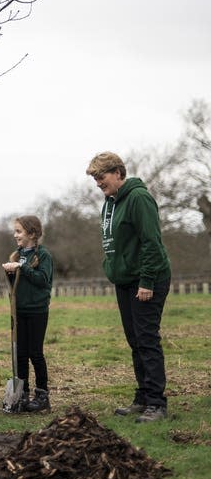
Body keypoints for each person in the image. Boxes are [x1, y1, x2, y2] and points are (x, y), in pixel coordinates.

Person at [86, 151, 171, 423]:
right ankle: (144, 396)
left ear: (118, 173)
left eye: (102, 176)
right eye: (95, 179)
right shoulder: (109, 203)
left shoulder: (138, 198)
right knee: (135, 341)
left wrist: (146, 281)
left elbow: (152, 243)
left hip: (147, 279)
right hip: (124, 280)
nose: (98, 182)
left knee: (147, 339)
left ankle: (157, 404)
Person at [2, 215, 53, 412]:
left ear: (32, 234)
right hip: (19, 310)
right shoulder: (17, 255)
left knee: (35, 353)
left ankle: (42, 396)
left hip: (37, 311)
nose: (15, 235)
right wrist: (10, 270)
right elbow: (17, 282)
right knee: (20, 354)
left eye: (19, 231)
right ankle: (21, 395)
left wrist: (22, 267)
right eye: (15, 231)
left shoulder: (43, 256)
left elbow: (42, 280)